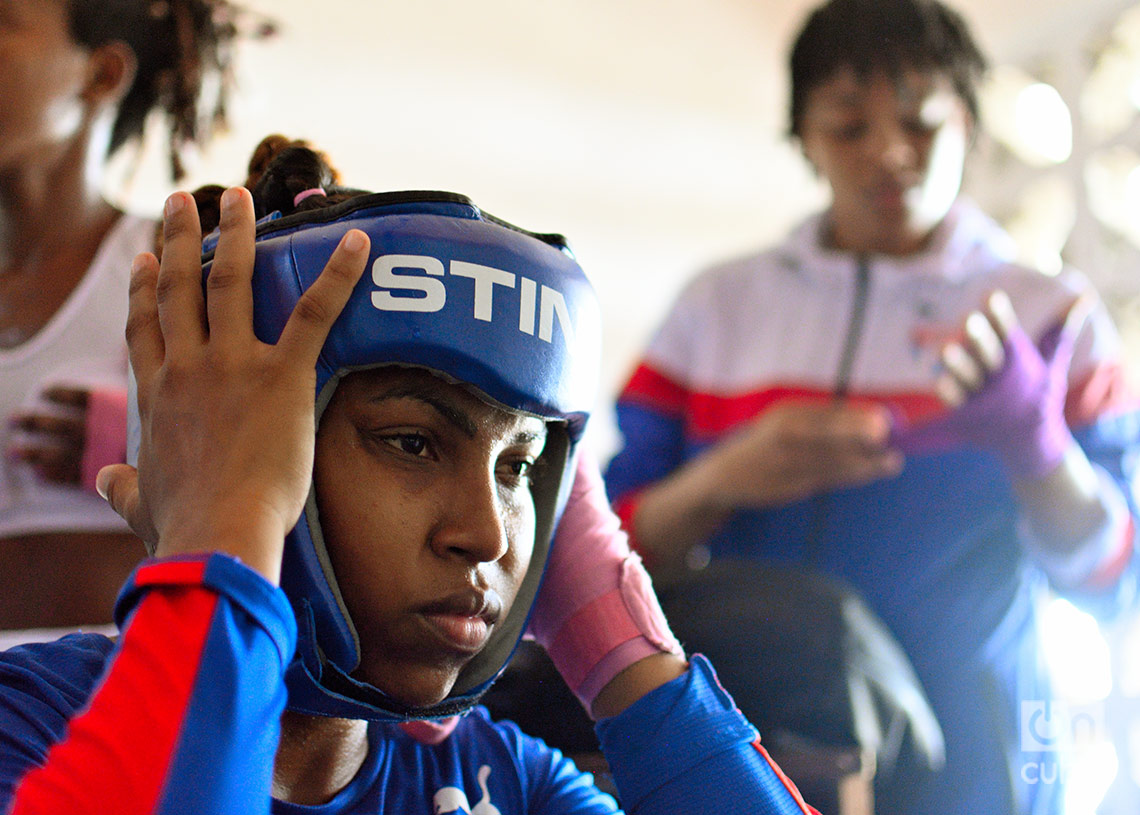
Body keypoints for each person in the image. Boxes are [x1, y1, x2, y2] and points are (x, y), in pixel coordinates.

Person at [0, 139, 820, 814]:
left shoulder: (506, 784)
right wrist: (224, 527)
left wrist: (622, 641)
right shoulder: (25, 724)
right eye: (412, 443)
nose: (490, 530)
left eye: (518, 467)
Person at [604, 1, 1140, 813]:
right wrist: (724, 479)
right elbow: (608, 556)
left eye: (922, 123)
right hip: (755, 737)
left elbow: (1115, 576)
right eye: (849, 127)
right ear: (804, 138)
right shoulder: (715, 311)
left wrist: (1038, 449)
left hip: (988, 742)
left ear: (968, 122)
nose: (890, 154)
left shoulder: (1051, 316)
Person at [0, 0, 258, 631]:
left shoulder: (181, 266)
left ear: (102, 74)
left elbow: (295, 463)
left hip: (110, 698)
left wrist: (139, 442)